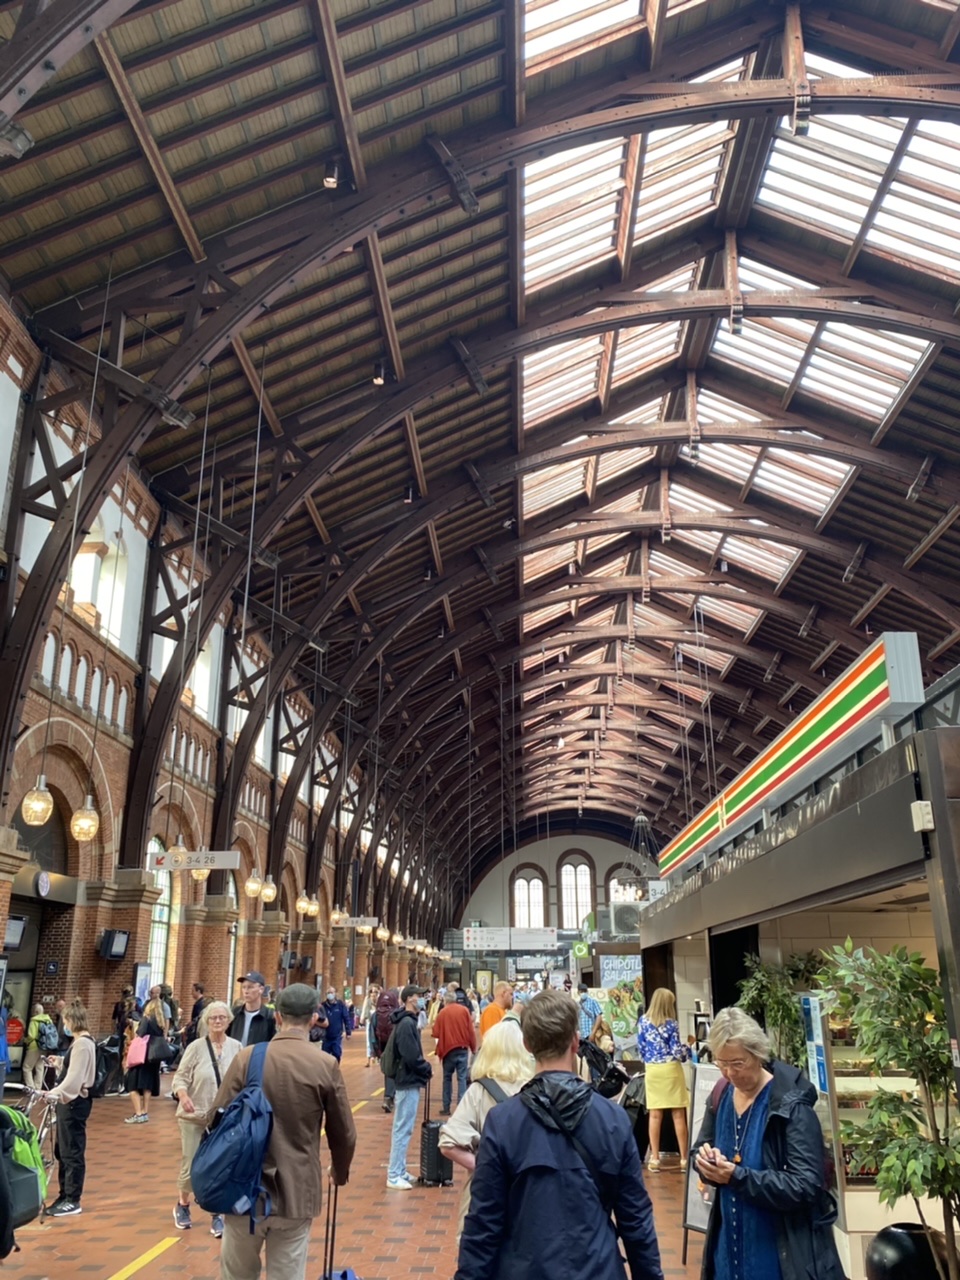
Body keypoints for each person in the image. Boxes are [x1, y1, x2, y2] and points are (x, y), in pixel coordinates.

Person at [454, 988, 663, 1280]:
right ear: (575, 1042)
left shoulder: (502, 1122)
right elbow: (636, 1221)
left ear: (527, 1045)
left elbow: (483, 1225)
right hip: (598, 1268)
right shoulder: (613, 1119)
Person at [208, 982, 356, 1280]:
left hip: (243, 1189)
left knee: (236, 1274)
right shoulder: (325, 1064)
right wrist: (339, 1171)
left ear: (278, 1017)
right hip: (295, 1191)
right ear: (314, 1017)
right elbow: (344, 1134)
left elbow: (215, 1117)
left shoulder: (247, 1058)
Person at [693, 1007, 846, 1280]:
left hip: (781, 1258)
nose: (729, 1073)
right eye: (721, 1063)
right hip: (727, 1254)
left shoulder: (791, 1105)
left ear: (758, 1054)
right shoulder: (721, 1095)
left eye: (738, 1063)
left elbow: (806, 1185)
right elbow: (700, 1146)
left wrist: (737, 1177)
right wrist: (705, 1162)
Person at [439, 1020, 534, 1238]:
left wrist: (484, 1167)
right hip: (530, 1195)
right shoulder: (537, 1086)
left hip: (486, 1198)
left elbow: (447, 1144)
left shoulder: (479, 1092)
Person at [170, 1000, 239, 1237]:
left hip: (222, 1118)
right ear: (206, 1021)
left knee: (219, 1166)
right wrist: (183, 1095)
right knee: (191, 1163)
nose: (217, 1021)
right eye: (213, 1018)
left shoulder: (237, 1047)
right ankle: (183, 1204)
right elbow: (180, 1077)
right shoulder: (196, 1047)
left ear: (229, 1020)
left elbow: (241, 1081)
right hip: (194, 1115)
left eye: (222, 1017)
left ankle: (217, 1214)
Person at [43, 999, 96, 1217]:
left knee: (71, 1151)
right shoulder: (80, 1043)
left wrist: (53, 1093)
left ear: (71, 1021)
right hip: (71, 1103)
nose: (63, 1024)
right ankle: (64, 1194)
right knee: (62, 1150)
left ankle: (72, 1199)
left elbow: (75, 1079)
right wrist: (59, 1062)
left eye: (65, 1020)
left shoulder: (83, 1043)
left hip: (74, 1103)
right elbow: (74, 1068)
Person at [636, 987, 690, 1172]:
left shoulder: (642, 1022)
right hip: (671, 1070)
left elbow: (641, 1048)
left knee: (655, 1115)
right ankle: (684, 1159)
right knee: (678, 1115)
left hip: (653, 1070)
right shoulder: (671, 1024)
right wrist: (687, 1050)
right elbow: (676, 1051)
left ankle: (655, 1159)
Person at [385, 984, 432, 1190]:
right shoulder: (406, 1024)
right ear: (410, 999)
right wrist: (426, 1068)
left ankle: (400, 1169)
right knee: (402, 1129)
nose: (423, 999)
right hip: (407, 1080)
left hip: (408, 1079)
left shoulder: (407, 1022)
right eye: (419, 996)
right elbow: (410, 1055)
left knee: (404, 1127)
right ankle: (394, 1174)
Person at [432, 990, 477, 1115]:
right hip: (462, 1049)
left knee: (447, 1079)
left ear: (446, 1001)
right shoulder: (464, 1011)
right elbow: (471, 1032)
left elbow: (435, 1032)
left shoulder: (442, 1013)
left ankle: (446, 1107)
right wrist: (473, 1048)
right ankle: (461, 1108)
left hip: (448, 1051)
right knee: (462, 1078)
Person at [124, 995, 167, 1123]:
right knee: (147, 1085)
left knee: (132, 1085)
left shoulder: (146, 1018)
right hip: (154, 1057)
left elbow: (140, 1034)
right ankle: (144, 1111)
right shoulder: (160, 1021)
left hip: (142, 1055)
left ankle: (137, 1114)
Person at [227, 972, 277, 1046]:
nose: (246, 991)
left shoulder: (269, 1016)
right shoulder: (234, 1012)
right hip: (237, 1056)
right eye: (244, 987)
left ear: (261, 989)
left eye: (250, 987)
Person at [375, 985, 400, 1112]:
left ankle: (389, 1097)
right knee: (395, 1070)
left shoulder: (377, 1013)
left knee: (388, 1070)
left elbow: (372, 1033)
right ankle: (390, 1097)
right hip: (395, 1045)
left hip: (383, 1046)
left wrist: (375, 1051)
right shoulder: (397, 1012)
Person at [23, 1002, 55, 1091]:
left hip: (34, 1046)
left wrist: (25, 1040)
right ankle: (38, 1088)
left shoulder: (34, 1020)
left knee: (27, 1067)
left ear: (35, 1011)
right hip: (44, 1046)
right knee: (39, 1067)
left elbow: (32, 1036)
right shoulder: (48, 1020)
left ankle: (31, 1087)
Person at [318, 986, 352, 1063]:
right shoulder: (323, 1006)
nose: (330, 994)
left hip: (336, 1036)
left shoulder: (340, 1005)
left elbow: (346, 1018)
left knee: (337, 1054)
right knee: (325, 1056)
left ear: (335, 993)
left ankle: (335, 1069)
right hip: (325, 1036)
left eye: (332, 992)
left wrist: (348, 1032)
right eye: (328, 993)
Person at [360, 984, 380, 1067]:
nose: (373, 993)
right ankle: (368, 1058)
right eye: (372, 991)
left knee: (378, 1039)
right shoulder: (367, 999)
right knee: (369, 1040)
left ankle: (377, 1057)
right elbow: (364, 1008)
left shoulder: (379, 999)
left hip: (378, 1021)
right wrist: (362, 1018)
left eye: (375, 991)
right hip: (369, 1021)